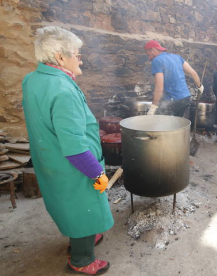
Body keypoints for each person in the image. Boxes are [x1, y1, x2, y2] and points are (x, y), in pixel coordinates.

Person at [22, 26, 113, 275]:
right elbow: (74, 149)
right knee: (84, 208)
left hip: (49, 160)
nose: (80, 58)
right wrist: (97, 173)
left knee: (68, 207)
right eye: (77, 54)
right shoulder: (63, 91)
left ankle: (82, 238)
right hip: (73, 167)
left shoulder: (32, 79)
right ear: (61, 57)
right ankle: (82, 260)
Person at [144, 40, 204, 117]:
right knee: (176, 125)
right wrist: (200, 86)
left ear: (153, 50)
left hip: (173, 101)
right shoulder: (177, 57)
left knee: (160, 124)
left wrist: (153, 107)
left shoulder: (157, 61)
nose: (149, 58)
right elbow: (193, 73)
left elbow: (159, 87)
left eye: (148, 54)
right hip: (186, 98)